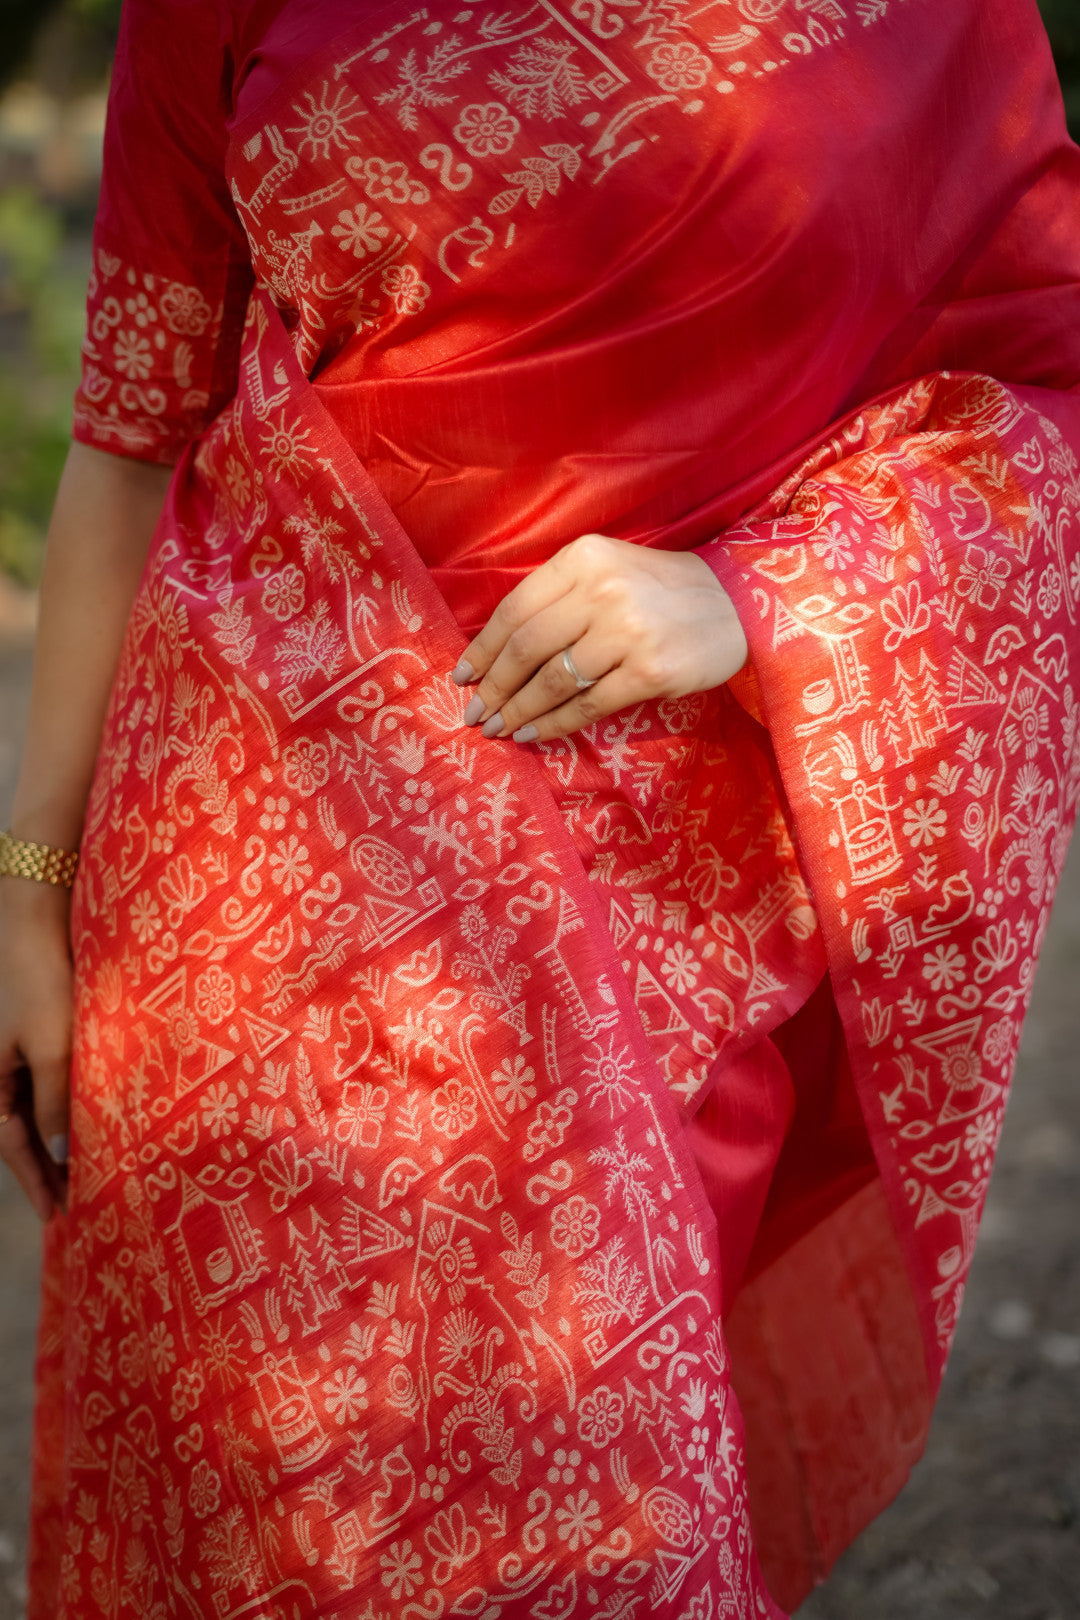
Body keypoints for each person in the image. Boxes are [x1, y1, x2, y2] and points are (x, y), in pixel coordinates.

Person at [1, 0, 1078, 1614]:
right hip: (251, 881)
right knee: (270, 1524)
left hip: (665, 909)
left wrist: (759, 594)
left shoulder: (938, 20)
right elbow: (136, 434)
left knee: (598, 1533)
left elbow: (1049, 399)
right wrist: (26, 890)